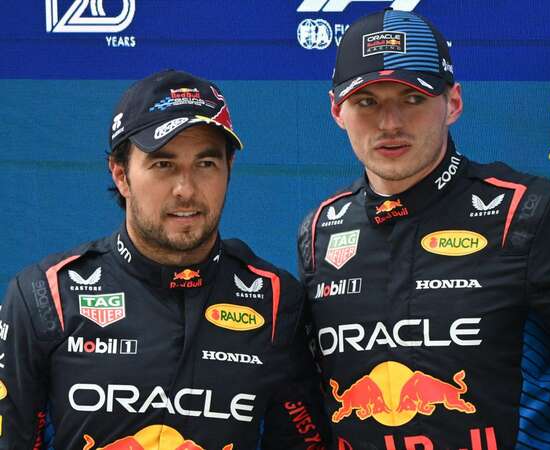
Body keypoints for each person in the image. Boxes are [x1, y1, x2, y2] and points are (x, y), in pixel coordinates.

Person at [296, 9, 550, 449]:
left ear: (452, 103)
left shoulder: (528, 212)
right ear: (338, 111)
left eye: (412, 98)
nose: (390, 123)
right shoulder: (321, 228)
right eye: (367, 102)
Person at [0, 70, 327, 449]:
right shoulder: (46, 295)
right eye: (163, 165)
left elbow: (305, 441)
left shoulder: (275, 300)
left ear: (229, 170)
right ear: (121, 174)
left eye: (206, 164)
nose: (185, 190)